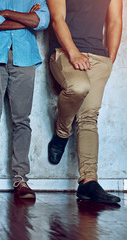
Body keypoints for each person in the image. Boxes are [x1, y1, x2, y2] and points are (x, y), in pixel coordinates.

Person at [47, 0, 122, 203]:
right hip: (65, 52)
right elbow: (57, 18)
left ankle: (88, 181)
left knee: (89, 117)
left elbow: (115, 21)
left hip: (99, 57)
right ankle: (62, 132)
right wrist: (73, 53)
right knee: (78, 87)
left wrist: (109, 60)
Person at [0, 0, 49, 199]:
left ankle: (20, 178)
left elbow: (42, 21)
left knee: (21, 121)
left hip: (25, 58)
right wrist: (27, 20)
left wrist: (6, 13)